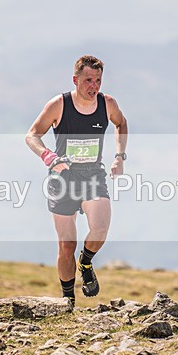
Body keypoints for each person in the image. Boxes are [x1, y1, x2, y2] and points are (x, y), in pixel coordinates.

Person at [26, 55, 128, 307]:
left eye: (98, 81)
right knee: (66, 245)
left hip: (93, 175)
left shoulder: (108, 104)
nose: (94, 86)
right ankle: (68, 300)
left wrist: (119, 156)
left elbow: (121, 123)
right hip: (62, 179)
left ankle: (86, 261)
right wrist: (48, 156)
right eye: (88, 80)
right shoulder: (59, 104)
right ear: (75, 80)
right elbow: (32, 136)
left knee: (100, 229)